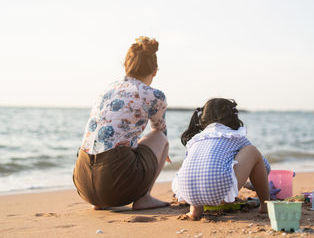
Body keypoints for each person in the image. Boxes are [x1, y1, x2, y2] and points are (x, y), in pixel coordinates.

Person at [73, 36, 170, 210]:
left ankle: (99, 202)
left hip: (83, 183)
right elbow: (159, 130)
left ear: (126, 66)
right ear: (155, 71)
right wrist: (160, 154)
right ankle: (144, 197)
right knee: (161, 139)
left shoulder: (107, 89)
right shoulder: (153, 95)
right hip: (115, 183)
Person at [172, 98, 271, 220]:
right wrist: (253, 183)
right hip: (219, 193)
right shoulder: (235, 136)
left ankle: (194, 211)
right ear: (233, 117)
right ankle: (265, 205)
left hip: (188, 193)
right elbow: (264, 166)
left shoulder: (196, 139)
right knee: (252, 150)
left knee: (196, 166)